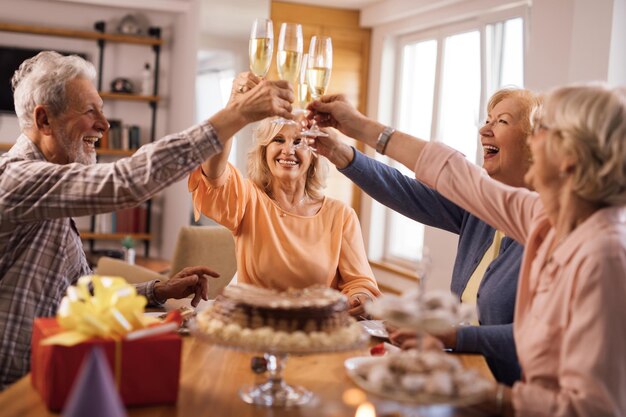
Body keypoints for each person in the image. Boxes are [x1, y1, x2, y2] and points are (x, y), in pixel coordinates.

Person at [309, 84, 626, 416]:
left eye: (542, 130)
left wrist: (466, 386)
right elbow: (454, 174)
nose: (533, 140)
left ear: (571, 157)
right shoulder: (544, 217)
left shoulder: (604, 256)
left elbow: (590, 408)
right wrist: (359, 127)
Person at [0, 51, 294, 390]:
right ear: (44, 120)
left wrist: (156, 290)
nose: (104, 125)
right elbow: (125, 182)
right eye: (89, 111)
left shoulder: (50, 187)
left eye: (103, 110)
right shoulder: (16, 179)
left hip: (44, 377)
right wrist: (236, 115)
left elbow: (82, 291)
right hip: (11, 389)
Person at [313, 88, 541, 386]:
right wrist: (340, 153)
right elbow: (407, 192)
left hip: (510, 393)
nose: (484, 130)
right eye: (487, 120)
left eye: (502, 121)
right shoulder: (484, 209)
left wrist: (448, 334)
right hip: (460, 374)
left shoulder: (549, 226)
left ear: (536, 142)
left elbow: (538, 337)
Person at [188, 74, 381, 318]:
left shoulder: (340, 215)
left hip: (314, 331)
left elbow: (361, 283)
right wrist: (233, 109)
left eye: (299, 141)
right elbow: (213, 172)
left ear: (314, 153)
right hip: (254, 327)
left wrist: (359, 298)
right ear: (264, 152)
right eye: (278, 140)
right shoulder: (248, 198)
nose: (288, 150)